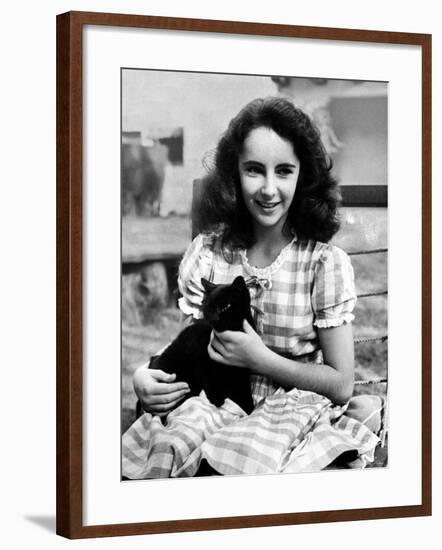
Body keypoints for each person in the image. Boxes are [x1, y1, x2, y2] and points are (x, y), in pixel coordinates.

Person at [125, 97, 383, 478]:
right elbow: (191, 343)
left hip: (289, 414)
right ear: (234, 174)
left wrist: (260, 360)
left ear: (303, 176)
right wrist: (142, 374)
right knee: (173, 449)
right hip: (212, 404)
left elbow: (342, 384)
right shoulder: (211, 254)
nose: (268, 188)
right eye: (253, 170)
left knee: (247, 462)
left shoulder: (321, 263)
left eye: (283, 171)